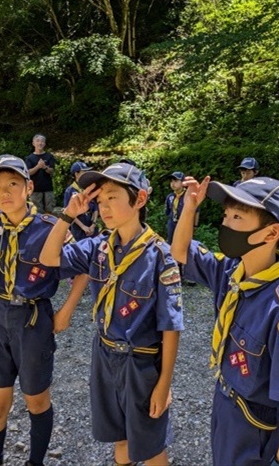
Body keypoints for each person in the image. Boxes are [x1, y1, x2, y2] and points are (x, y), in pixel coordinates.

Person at [0, 154, 89, 466]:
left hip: (34, 319)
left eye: (13, 183)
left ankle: (35, 462)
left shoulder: (51, 227)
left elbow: (83, 266)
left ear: (28, 187)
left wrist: (66, 311)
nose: (5, 192)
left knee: (37, 401)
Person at [40, 162, 184, 466]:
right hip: (104, 356)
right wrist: (68, 215)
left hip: (142, 363)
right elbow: (48, 257)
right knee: (120, 437)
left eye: (113, 198)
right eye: (100, 201)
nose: (104, 208)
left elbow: (171, 326)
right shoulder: (98, 247)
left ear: (140, 199)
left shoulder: (159, 256)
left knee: (150, 446)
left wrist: (164, 384)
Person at [171, 176, 279, 466]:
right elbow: (180, 253)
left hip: (256, 427)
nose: (226, 224)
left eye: (238, 217)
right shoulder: (231, 272)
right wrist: (189, 208)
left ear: (271, 232)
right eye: (226, 214)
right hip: (226, 403)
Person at [63, 161, 98, 240]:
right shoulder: (70, 191)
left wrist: (93, 224)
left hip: (92, 227)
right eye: (84, 172)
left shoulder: (89, 188)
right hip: (79, 229)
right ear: (76, 174)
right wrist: (83, 227)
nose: (86, 174)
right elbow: (68, 211)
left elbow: (96, 207)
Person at [25, 133, 56, 213]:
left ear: (45, 143)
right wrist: (38, 166)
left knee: (50, 210)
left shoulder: (49, 156)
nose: (40, 143)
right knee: (37, 211)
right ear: (33, 143)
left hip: (48, 188)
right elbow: (28, 173)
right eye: (38, 141)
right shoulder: (29, 158)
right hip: (35, 190)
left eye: (42, 141)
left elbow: (52, 171)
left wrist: (45, 167)